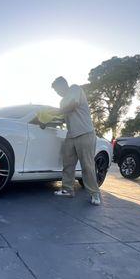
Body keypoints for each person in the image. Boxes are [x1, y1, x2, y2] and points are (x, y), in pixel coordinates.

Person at [50, 76, 101, 205]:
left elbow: (73, 104)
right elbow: (63, 117)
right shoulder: (62, 102)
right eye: (56, 92)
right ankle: (67, 190)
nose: (58, 93)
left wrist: (55, 112)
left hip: (85, 133)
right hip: (71, 135)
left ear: (64, 85)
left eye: (58, 90)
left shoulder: (74, 89)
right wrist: (47, 120)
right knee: (68, 164)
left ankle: (95, 194)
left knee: (87, 166)